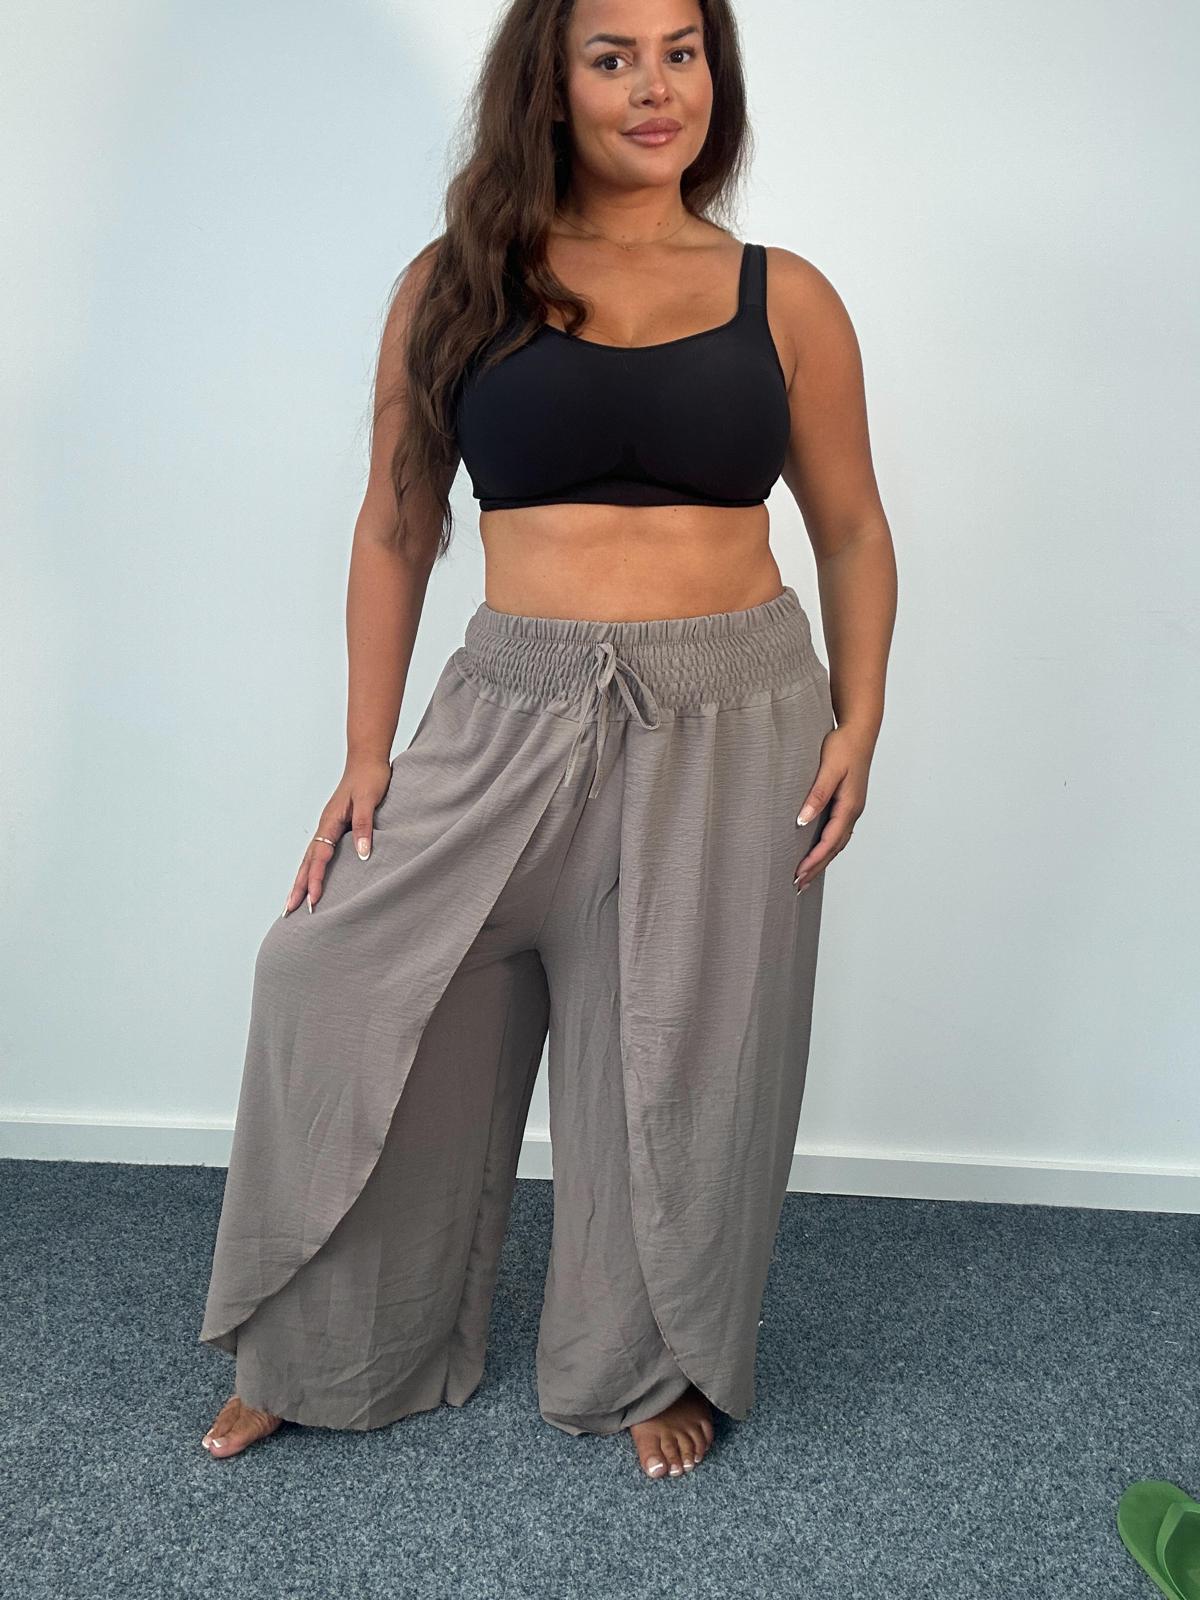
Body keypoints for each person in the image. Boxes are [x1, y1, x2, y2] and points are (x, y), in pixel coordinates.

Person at [198, 0, 896, 1482]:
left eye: (682, 51)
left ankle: (644, 1360)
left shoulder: (786, 297)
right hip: (509, 704)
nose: (657, 86)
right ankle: (324, 1350)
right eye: (613, 56)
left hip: (736, 712)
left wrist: (863, 714)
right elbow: (395, 525)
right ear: (550, 84)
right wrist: (368, 753)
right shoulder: (457, 283)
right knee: (329, 975)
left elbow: (849, 526)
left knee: (681, 1050)